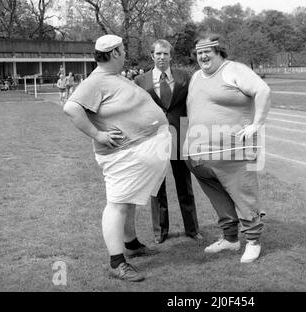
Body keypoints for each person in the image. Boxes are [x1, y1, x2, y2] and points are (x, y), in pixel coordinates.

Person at [63, 34, 172, 282]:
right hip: (121, 155)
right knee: (118, 205)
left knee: (128, 201)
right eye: (122, 50)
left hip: (135, 152)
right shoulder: (96, 80)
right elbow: (71, 108)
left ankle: (131, 243)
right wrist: (98, 134)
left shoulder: (112, 77)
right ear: (114, 53)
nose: (125, 53)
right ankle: (117, 263)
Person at [184, 34, 271, 263]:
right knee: (219, 200)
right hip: (199, 156)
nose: (203, 56)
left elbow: (263, 91)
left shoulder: (234, 70)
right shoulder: (195, 76)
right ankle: (230, 239)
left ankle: (253, 241)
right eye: (199, 52)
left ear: (219, 52)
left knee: (244, 197)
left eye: (208, 51)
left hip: (234, 153)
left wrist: (256, 124)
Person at [135, 39, 201, 244]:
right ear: (152, 56)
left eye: (165, 54)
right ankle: (160, 232)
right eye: (158, 54)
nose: (162, 57)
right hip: (154, 140)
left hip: (180, 137)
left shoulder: (185, 78)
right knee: (157, 188)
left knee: (185, 186)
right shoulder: (140, 81)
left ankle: (192, 229)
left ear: (171, 56)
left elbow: (194, 104)